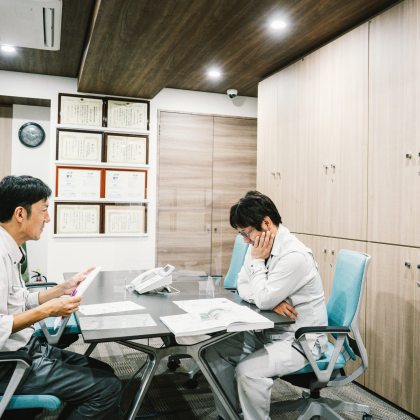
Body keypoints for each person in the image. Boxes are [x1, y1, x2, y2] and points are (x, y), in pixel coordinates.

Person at [0, 175, 121, 419]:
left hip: (26, 348)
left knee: (104, 371)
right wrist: (49, 310)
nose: (48, 218)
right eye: (44, 209)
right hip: (10, 364)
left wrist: (60, 289)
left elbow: (17, 299)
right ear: (20, 213)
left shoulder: (10, 247)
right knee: (107, 388)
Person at [204, 191, 328, 420]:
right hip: (268, 330)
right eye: (241, 234)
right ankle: (231, 415)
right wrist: (270, 301)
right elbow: (242, 284)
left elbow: (262, 298)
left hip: (300, 341)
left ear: (267, 223)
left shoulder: (294, 256)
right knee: (213, 352)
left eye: (247, 232)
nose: (245, 240)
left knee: (248, 372)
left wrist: (262, 281)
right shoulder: (258, 247)